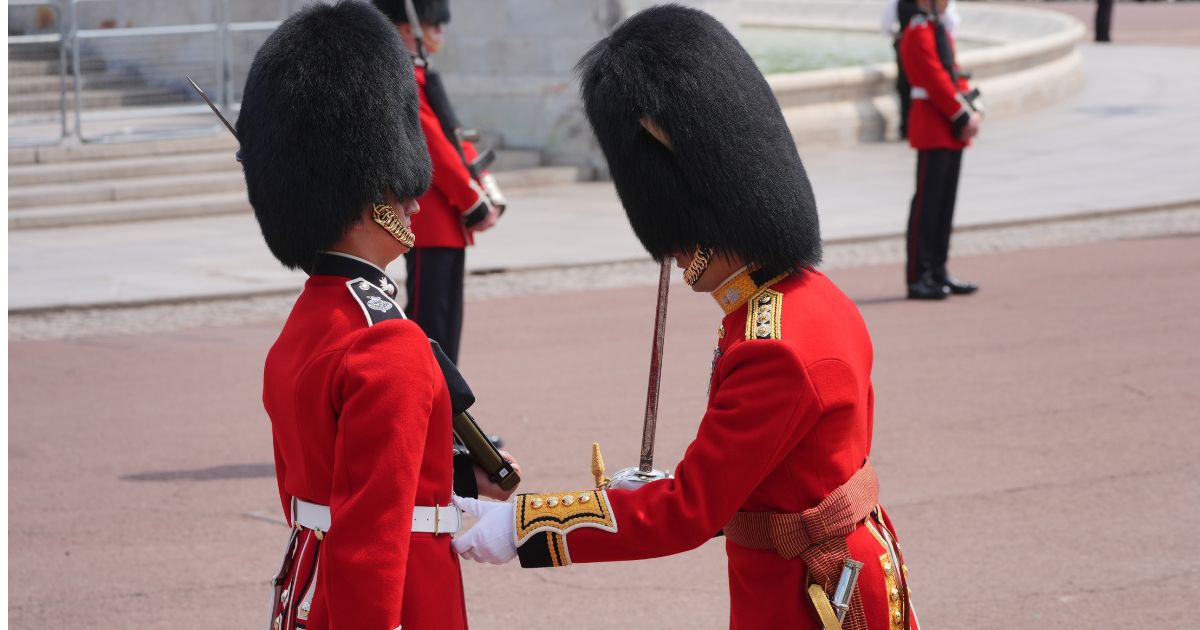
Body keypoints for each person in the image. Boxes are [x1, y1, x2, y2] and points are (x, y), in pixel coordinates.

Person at [452, 7, 919, 629]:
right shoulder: (805, 299)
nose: (674, 252)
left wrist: (521, 526)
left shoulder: (773, 346)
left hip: (810, 595)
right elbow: (763, 475)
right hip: (816, 571)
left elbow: (688, 512)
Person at [236, 3, 515, 628]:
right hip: (400, 599)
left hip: (310, 586)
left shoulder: (308, 322)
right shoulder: (385, 344)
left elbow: (332, 479)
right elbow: (372, 540)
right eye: (399, 187)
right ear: (369, 197)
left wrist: (462, 481)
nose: (414, 202)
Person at [373, 0, 504, 364]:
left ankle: (447, 412)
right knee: (428, 328)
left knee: (446, 328)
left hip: (447, 219)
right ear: (404, 28)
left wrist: (484, 184)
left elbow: (454, 134)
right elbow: (435, 147)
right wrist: (471, 200)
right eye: (434, 25)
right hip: (430, 218)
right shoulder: (402, 79)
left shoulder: (419, 74)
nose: (439, 33)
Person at [899, 0, 981, 300]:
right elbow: (934, 79)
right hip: (935, 126)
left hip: (948, 127)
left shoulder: (937, 29)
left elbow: (954, 72)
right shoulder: (918, 31)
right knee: (927, 206)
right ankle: (918, 275)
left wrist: (975, 107)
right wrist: (962, 115)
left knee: (944, 205)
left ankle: (938, 269)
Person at [881, 0, 959, 140]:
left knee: (905, 86)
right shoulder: (921, 31)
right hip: (936, 128)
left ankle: (906, 127)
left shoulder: (916, 30)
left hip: (906, 47)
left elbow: (887, 27)